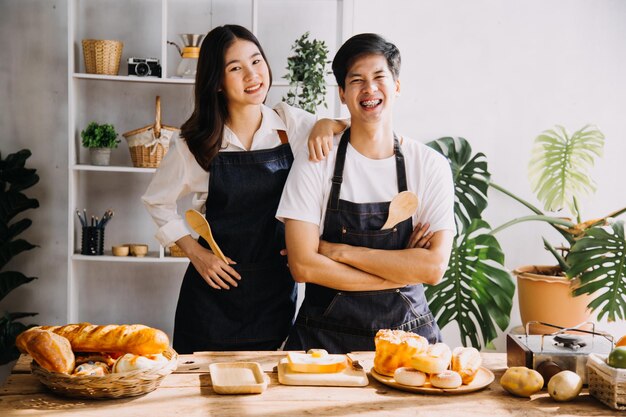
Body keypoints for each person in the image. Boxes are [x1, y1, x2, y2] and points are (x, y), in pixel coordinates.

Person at [142, 24, 348, 353]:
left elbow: (356, 130)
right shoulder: (194, 143)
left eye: (256, 61)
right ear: (217, 82)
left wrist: (327, 122)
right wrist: (197, 255)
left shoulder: (290, 125)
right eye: (235, 68)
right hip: (211, 295)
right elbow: (156, 202)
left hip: (274, 291)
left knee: (263, 392)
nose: (252, 75)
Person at [277, 33, 456, 353]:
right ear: (343, 94)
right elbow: (303, 266)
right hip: (322, 342)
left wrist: (335, 252)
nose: (369, 88)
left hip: (409, 341)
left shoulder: (429, 166)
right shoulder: (316, 159)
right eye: (357, 80)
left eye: (379, 77)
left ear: (397, 86)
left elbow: (432, 268)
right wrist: (400, 271)